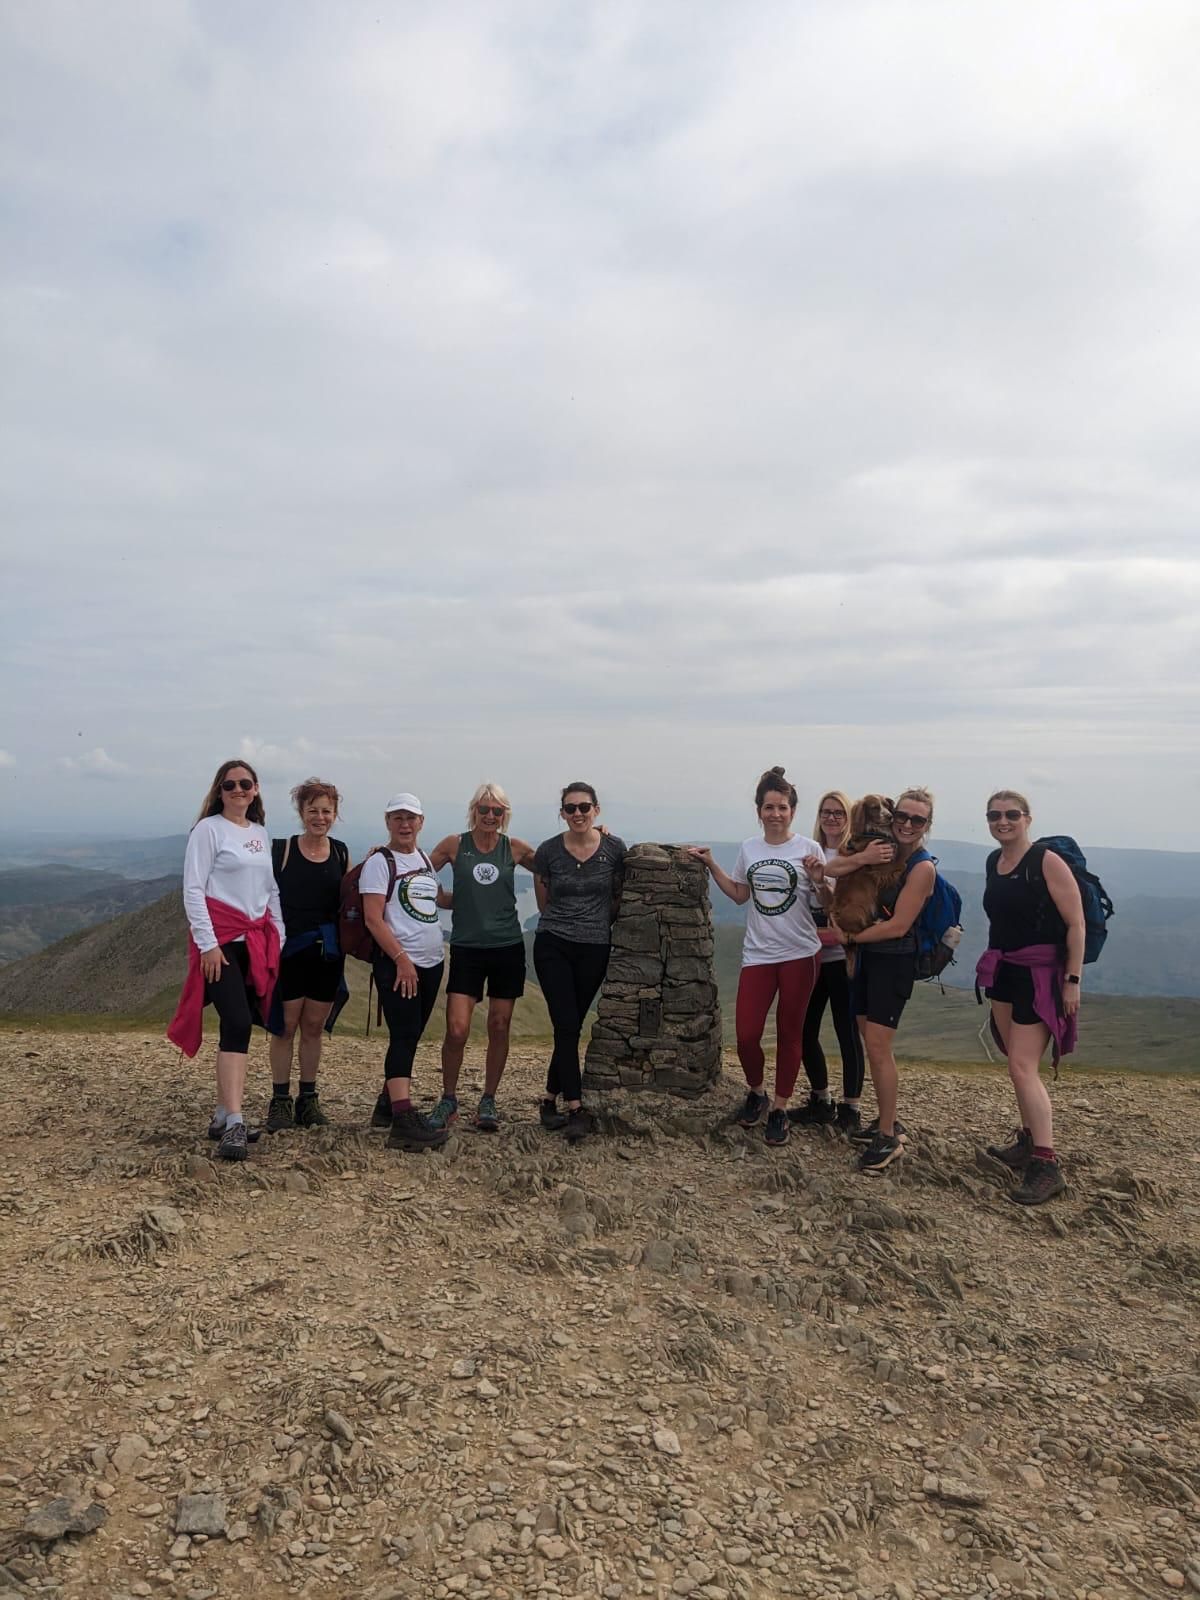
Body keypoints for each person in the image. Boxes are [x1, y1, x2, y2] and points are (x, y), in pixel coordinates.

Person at [690, 767, 823, 1148]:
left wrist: (817, 879)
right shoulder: (750, 848)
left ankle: (780, 1109)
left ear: (793, 812)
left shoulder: (808, 849)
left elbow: (825, 902)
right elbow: (739, 894)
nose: (775, 813)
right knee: (747, 1034)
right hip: (759, 954)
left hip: (800, 954)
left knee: (789, 1033)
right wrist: (712, 864)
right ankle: (757, 1091)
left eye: (782, 807)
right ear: (759, 810)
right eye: (769, 806)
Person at [167, 760, 285, 1162]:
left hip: (254, 941)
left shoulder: (259, 833)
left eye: (245, 784)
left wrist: (278, 936)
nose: (238, 790)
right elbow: (194, 889)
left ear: (255, 790)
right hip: (222, 942)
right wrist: (207, 944)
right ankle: (234, 1119)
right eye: (230, 784)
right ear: (219, 790)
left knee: (239, 1023)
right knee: (236, 1021)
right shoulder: (207, 830)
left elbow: (270, 890)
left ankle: (222, 1114)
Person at [976, 790, 1084, 1205]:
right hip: (1005, 971)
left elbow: (1075, 924)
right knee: (1015, 1063)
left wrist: (1072, 980)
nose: (1002, 821)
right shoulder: (994, 862)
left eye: (1011, 815)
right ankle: (1027, 1140)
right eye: (994, 815)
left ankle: (1046, 1162)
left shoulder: (1045, 861)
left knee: (1023, 1066)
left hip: (1041, 975)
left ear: (1027, 818)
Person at [825, 786, 937, 1174]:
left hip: (893, 963)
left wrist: (850, 937)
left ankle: (888, 1135)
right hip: (869, 961)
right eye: (900, 815)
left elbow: (898, 925)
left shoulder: (921, 867)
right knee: (868, 1040)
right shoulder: (882, 848)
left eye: (915, 819)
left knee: (877, 1045)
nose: (904, 823)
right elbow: (831, 869)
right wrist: (865, 857)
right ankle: (886, 1120)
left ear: (927, 824)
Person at [425, 784, 538, 1133]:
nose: (490, 816)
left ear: (505, 815)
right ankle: (448, 1099)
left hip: (507, 947)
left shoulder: (515, 848)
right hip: (466, 948)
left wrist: (598, 835)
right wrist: (440, 899)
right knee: (457, 1029)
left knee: (499, 1026)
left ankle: (488, 1099)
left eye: (497, 811)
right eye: (484, 809)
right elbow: (417, 876)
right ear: (473, 810)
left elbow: (554, 868)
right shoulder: (454, 845)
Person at [532, 783, 626, 1141]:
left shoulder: (615, 848)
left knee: (568, 1026)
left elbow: (619, 892)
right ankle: (576, 1108)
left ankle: (548, 1098)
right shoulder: (549, 851)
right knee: (567, 1025)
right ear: (562, 812)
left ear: (596, 810)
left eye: (584, 807)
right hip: (553, 943)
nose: (577, 814)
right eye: (570, 809)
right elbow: (544, 903)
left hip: (594, 947)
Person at [361, 793, 451, 1152]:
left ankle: (386, 1106)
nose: (405, 824)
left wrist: (479, 897)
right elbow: (372, 917)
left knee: (411, 1034)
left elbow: (436, 900)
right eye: (398, 818)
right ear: (387, 822)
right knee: (403, 1034)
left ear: (421, 822)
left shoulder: (424, 858)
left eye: (411, 818)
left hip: (430, 961)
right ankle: (402, 1119)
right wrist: (400, 959)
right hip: (401, 964)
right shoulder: (380, 863)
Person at [264, 778, 351, 1132]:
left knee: (313, 1028)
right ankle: (280, 1100)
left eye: (326, 811)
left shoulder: (342, 852)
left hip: (327, 955)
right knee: (284, 1028)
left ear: (335, 814)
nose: (320, 817)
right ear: (301, 812)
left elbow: (350, 897)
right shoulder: (281, 850)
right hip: (288, 953)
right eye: (312, 810)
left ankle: (308, 1100)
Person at [791, 790, 866, 1135]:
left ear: (849, 817)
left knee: (846, 1032)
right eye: (826, 811)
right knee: (804, 1028)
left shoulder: (857, 856)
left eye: (839, 812)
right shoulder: (807, 851)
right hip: (809, 954)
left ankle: (851, 1107)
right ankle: (821, 1099)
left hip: (843, 957)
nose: (832, 818)